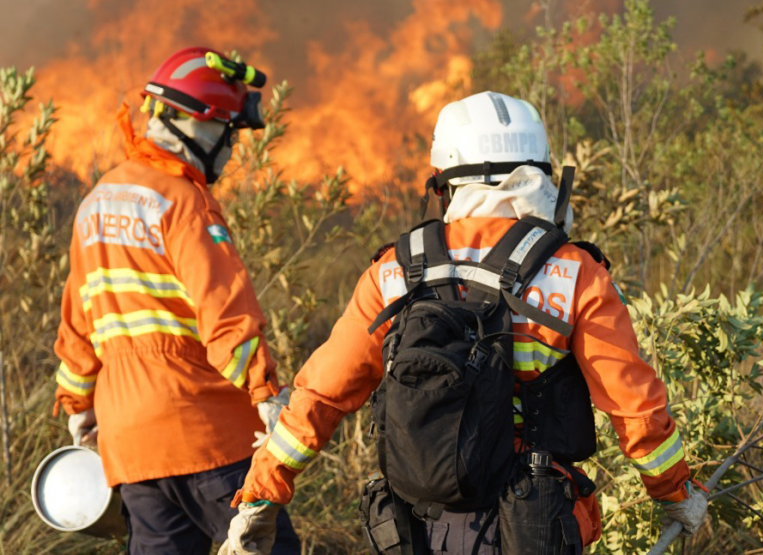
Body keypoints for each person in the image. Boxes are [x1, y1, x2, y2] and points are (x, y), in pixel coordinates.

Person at [219, 92, 707, 555]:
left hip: (416, 525)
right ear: (542, 176)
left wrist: (261, 493)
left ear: (445, 183)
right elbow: (634, 407)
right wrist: (675, 491)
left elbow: (322, 396)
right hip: (532, 523)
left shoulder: (393, 270)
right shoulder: (576, 272)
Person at [53, 46, 301, 555]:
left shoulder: (97, 200)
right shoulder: (186, 204)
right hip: (205, 431)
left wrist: (79, 406)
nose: (231, 152)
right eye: (229, 134)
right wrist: (267, 396)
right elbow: (227, 318)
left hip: (129, 447)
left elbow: (78, 327)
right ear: (199, 125)